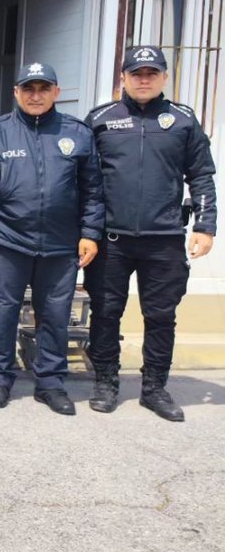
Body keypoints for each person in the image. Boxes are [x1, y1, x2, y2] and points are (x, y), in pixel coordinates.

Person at [84, 45, 216, 422]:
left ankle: (154, 388)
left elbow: (202, 176)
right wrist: (85, 231)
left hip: (164, 238)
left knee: (161, 316)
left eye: (151, 73)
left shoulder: (183, 120)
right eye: (136, 73)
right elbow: (85, 180)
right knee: (106, 312)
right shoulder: (101, 120)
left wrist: (205, 226)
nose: (143, 80)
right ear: (122, 78)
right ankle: (106, 382)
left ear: (163, 77)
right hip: (111, 239)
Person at [0, 62, 104, 415]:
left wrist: (90, 234)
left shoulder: (77, 133)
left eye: (43, 89)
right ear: (16, 92)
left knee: (55, 315)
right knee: (1, 313)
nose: (36, 96)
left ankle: (50, 383)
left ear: (56, 93)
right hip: (8, 241)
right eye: (28, 89)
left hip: (61, 244)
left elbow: (93, 190)